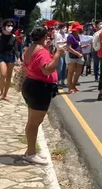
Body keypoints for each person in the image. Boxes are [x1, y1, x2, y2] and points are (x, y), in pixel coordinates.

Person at [21, 27, 63, 164]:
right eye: (48, 37)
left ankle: (30, 150)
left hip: (32, 85)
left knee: (32, 121)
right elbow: (47, 70)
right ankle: (31, 153)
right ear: (44, 37)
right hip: (39, 88)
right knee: (35, 122)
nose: (50, 39)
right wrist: (57, 55)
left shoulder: (30, 48)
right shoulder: (42, 51)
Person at [0, 19, 19, 100]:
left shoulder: (14, 37)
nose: (10, 27)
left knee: (8, 77)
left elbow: (16, 49)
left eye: (11, 26)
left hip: (11, 56)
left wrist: (19, 58)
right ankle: (1, 93)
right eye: (8, 25)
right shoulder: (0, 36)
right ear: (5, 26)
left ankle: (5, 94)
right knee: (3, 74)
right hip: (1, 56)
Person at [66, 22, 84, 93]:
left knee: (78, 72)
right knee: (71, 72)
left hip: (79, 55)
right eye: (78, 29)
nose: (79, 30)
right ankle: (70, 88)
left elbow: (78, 45)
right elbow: (69, 47)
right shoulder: (70, 36)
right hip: (72, 56)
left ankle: (73, 86)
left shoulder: (78, 36)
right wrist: (77, 53)